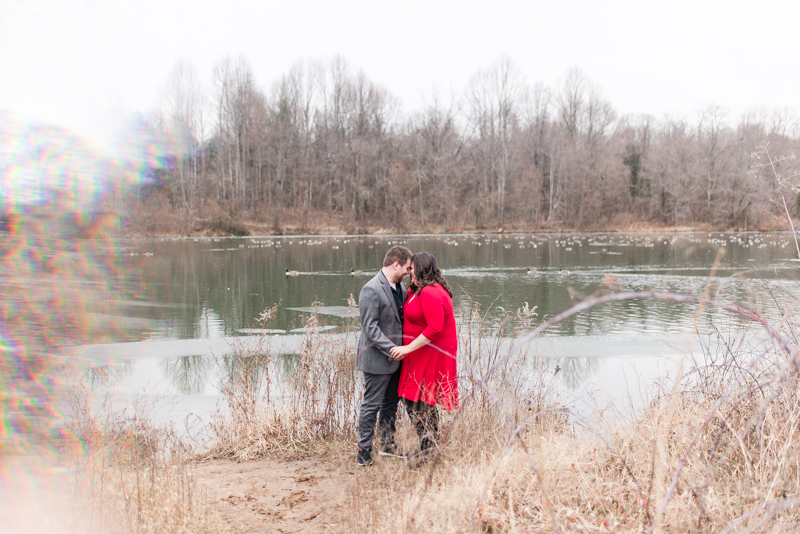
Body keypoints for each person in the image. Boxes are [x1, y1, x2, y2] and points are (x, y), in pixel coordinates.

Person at [390, 252, 458, 464]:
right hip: (420, 352)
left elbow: (435, 327)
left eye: (411, 269)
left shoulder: (431, 292)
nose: (408, 272)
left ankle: (429, 450)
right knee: (418, 397)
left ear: (420, 270)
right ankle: (430, 447)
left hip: (428, 352)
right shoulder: (420, 289)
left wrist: (407, 348)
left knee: (416, 398)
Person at [355, 245, 413, 467]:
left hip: (398, 360)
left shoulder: (401, 288)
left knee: (390, 404)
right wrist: (391, 349)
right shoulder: (370, 289)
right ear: (396, 264)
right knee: (371, 405)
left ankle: (387, 445)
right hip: (377, 359)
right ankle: (364, 450)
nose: (409, 272)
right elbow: (370, 328)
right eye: (407, 267)